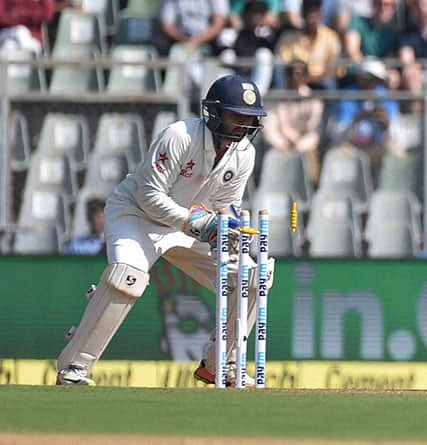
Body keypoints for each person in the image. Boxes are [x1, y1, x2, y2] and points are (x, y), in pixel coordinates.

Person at [55, 75, 272, 386]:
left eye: (250, 118)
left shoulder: (244, 154)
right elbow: (149, 196)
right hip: (136, 214)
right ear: (215, 112)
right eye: (236, 115)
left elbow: (226, 203)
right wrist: (197, 224)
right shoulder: (180, 136)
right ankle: (74, 369)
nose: (244, 124)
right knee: (127, 279)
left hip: (188, 225)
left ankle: (219, 365)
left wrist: (229, 231)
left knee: (253, 277)